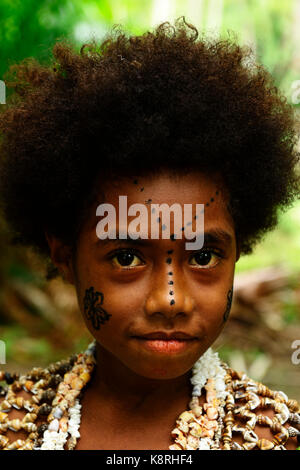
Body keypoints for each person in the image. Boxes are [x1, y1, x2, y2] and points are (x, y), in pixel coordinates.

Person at [0, 17, 299, 451]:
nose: (170, 301)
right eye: (127, 257)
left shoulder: (276, 436)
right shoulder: (12, 422)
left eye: (202, 256)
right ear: (64, 253)